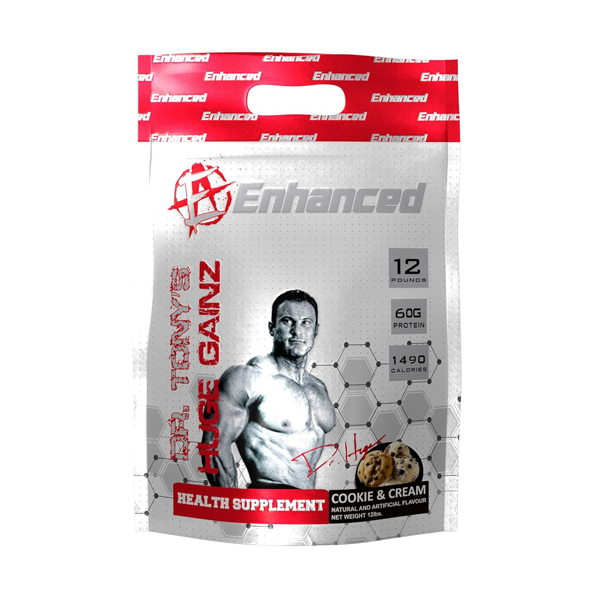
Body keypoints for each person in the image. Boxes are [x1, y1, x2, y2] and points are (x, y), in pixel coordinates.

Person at [202, 290, 335, 489]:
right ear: (272, 328)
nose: (297, 331)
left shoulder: (318, 388)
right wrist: (233, 506)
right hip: (265, 501)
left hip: (307, 503)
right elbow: (213, 447)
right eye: (288, 321)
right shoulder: (247, 378)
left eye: (306, 323)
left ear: (315, 330)